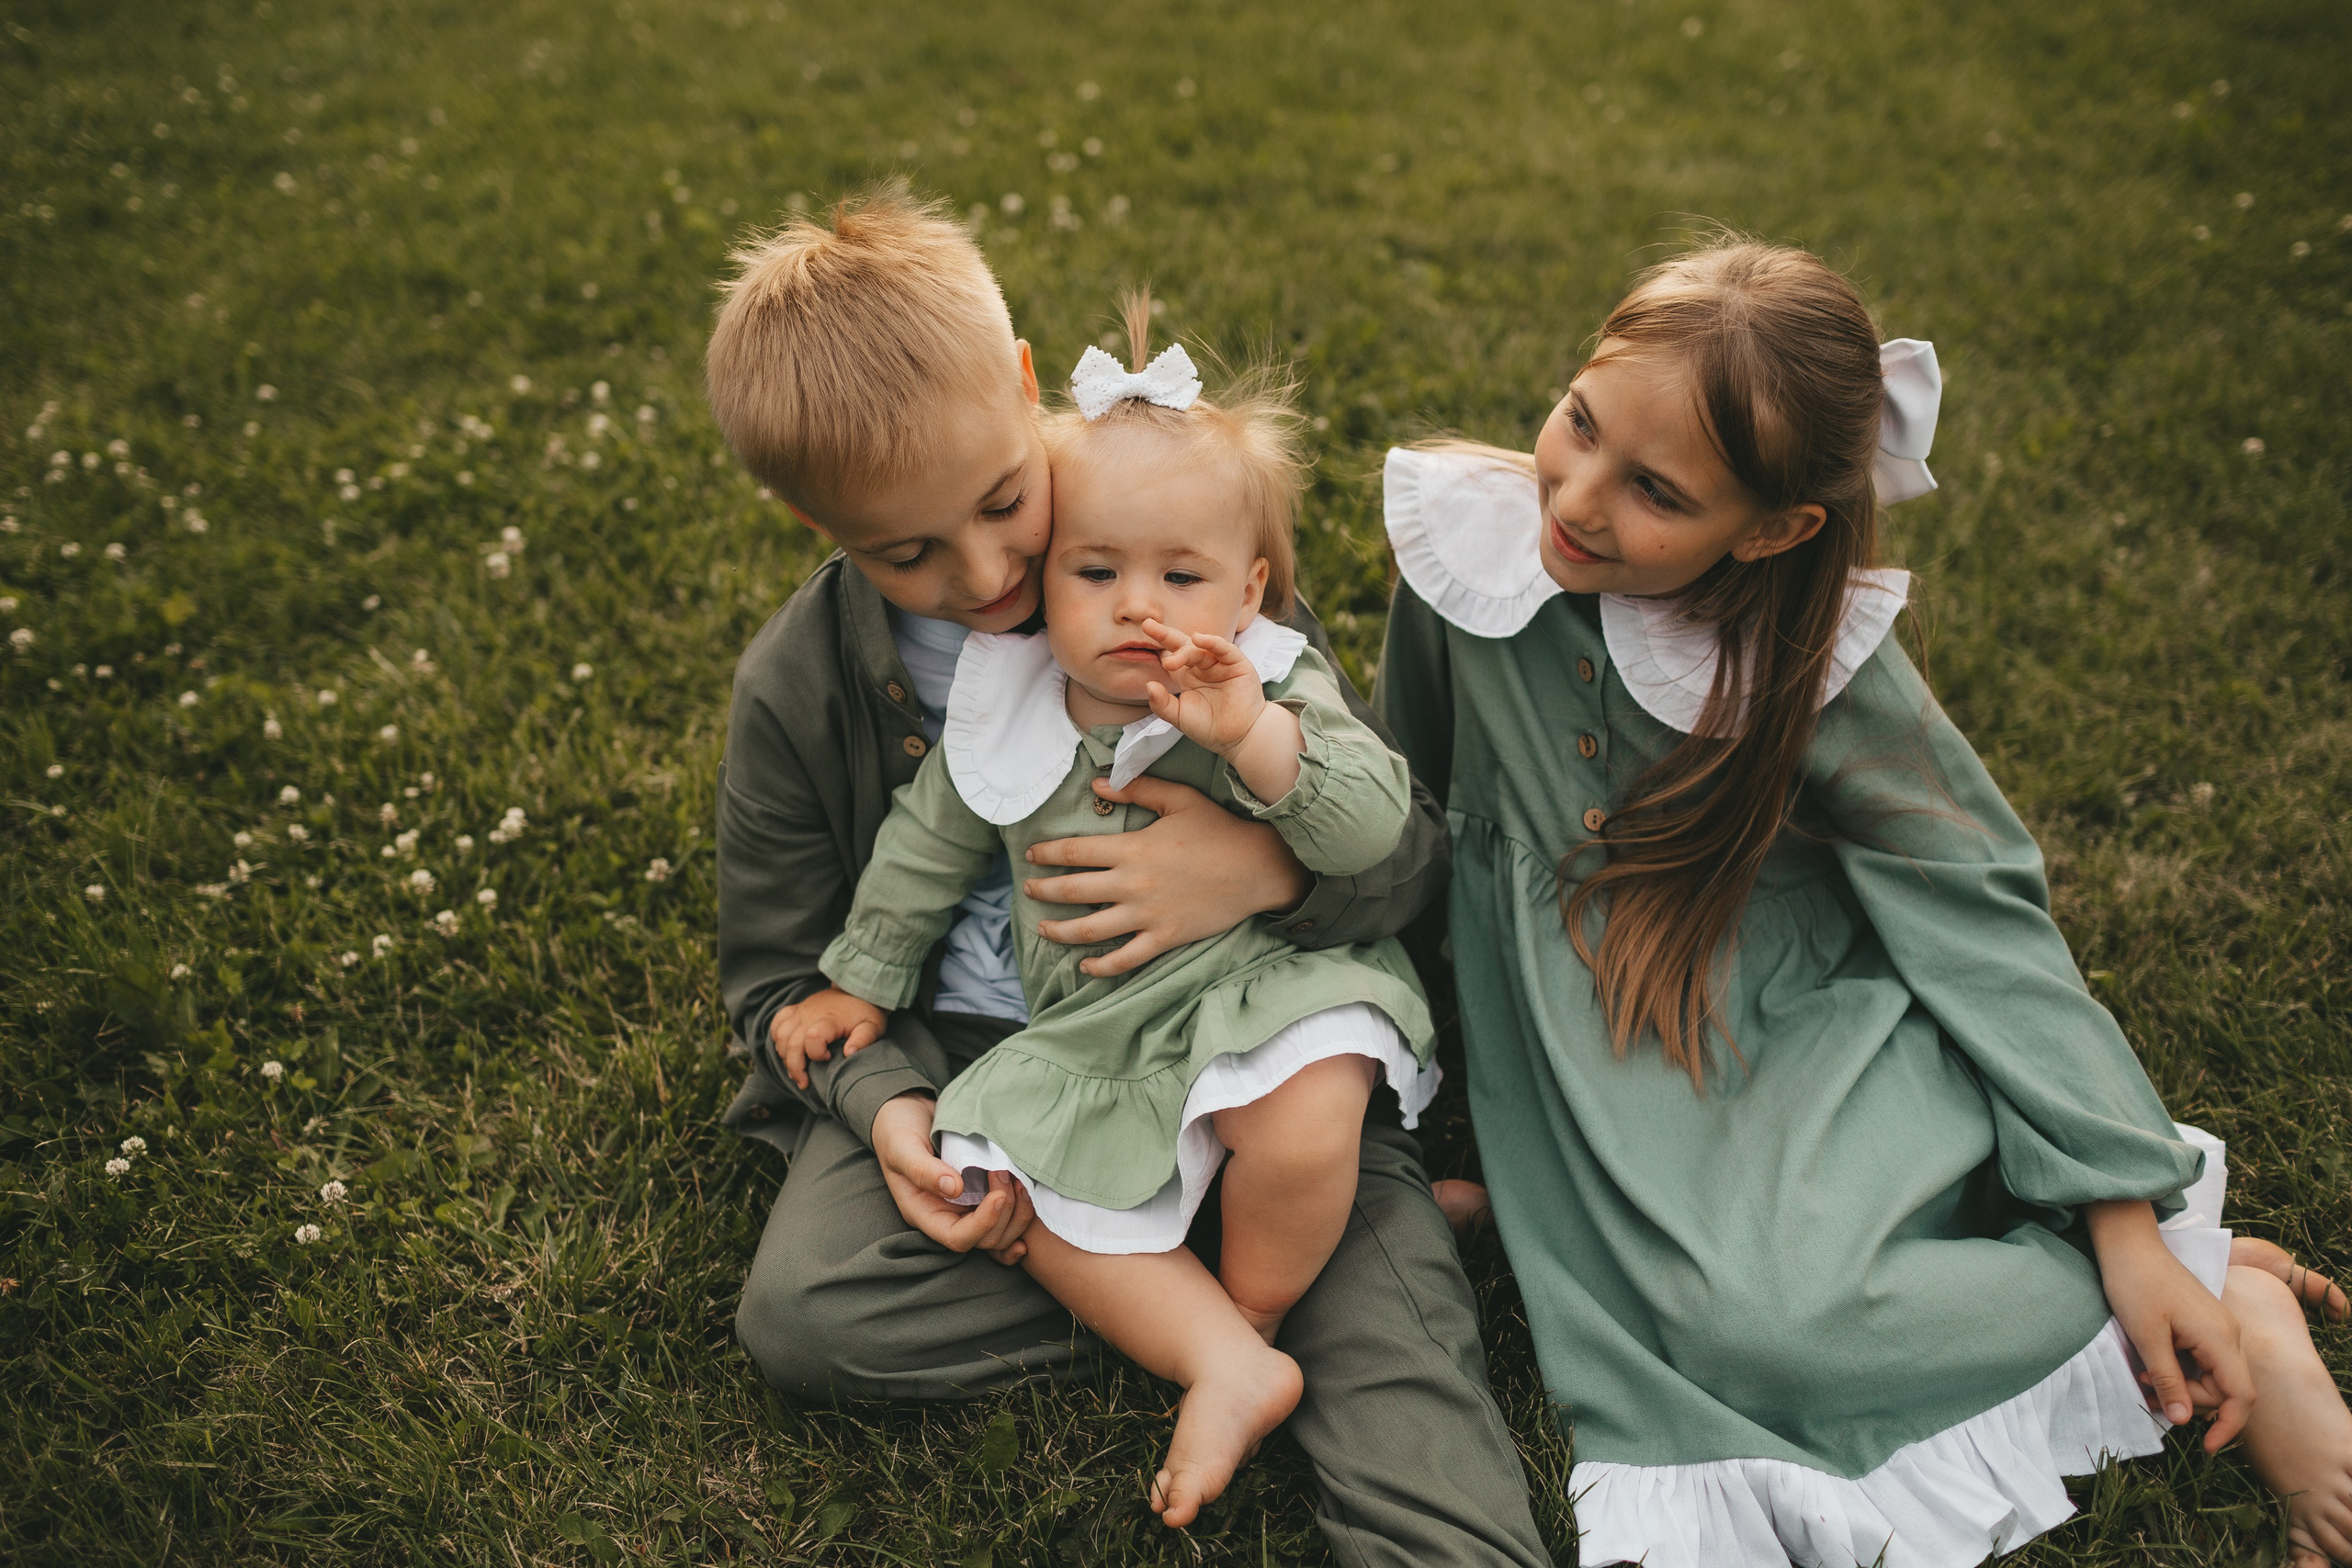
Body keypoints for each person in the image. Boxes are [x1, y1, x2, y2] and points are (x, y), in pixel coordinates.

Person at [1372, 239, 2352, 1568]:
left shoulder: (1803, 655)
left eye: (1657, 491)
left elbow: (1976, 908)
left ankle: (2198, 1299)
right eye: (1581, 422)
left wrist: (2126, 1219)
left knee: (1767, 1330)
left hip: (1789, 1029)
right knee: (1695, 1309)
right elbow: (1415, 812)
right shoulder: (1467, 558)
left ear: (1771, 530)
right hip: (1576, 1052)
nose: (1580, 498)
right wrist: (1437, 1083)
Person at [704, 188, 1552, 1568]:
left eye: (1004, 503)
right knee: (809, 1311)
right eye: (908, 551)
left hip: (1252, 1026)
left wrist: (1258, 870)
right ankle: (1225, 1286)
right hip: (992, 1062)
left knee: (1387, 1349)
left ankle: (1260, 1267)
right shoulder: (797, 687)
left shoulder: (1176, 552)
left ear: (1025, 388)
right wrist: (886, 1104)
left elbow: (1402, 857)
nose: (990, 569)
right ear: (815, 517)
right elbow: (781, 981)